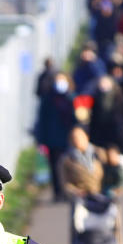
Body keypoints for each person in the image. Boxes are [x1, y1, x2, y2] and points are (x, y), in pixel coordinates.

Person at [34, 72, 77, 203]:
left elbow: (76, 118)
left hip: (67, 138)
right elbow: (42, 120)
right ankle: (58, 192)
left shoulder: (71, 98)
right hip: (52, 139)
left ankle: (65, 191)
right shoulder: (48, 99)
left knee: (66, 166)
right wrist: (41, 140)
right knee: (55, 166)